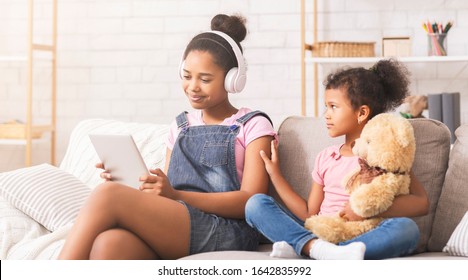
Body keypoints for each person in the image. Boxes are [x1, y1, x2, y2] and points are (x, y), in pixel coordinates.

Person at [58, 14, 276, 260]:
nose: (193, 86)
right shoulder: (180, 126)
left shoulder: (254, 125)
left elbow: (251, 201)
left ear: (232, 80)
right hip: (180, 220)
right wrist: (135, 184)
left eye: (204, 79)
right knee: (109, 243)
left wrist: (176, 196)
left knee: (106, 195)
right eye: (186, 76)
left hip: (228, 229)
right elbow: (168, 190)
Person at [245, 59, 430, 260]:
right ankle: (317, 248)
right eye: (326, 107)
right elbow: (309, 213)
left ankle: (315, 248)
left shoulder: (385, 153)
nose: (326, 115)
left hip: (364, 232)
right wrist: (275, 174)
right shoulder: (326, 157)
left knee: (407, 229)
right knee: (255, 204)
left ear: (361, 113)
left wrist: (362, 211)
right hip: (322, 229)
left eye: (333, 107)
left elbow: (421, 203)